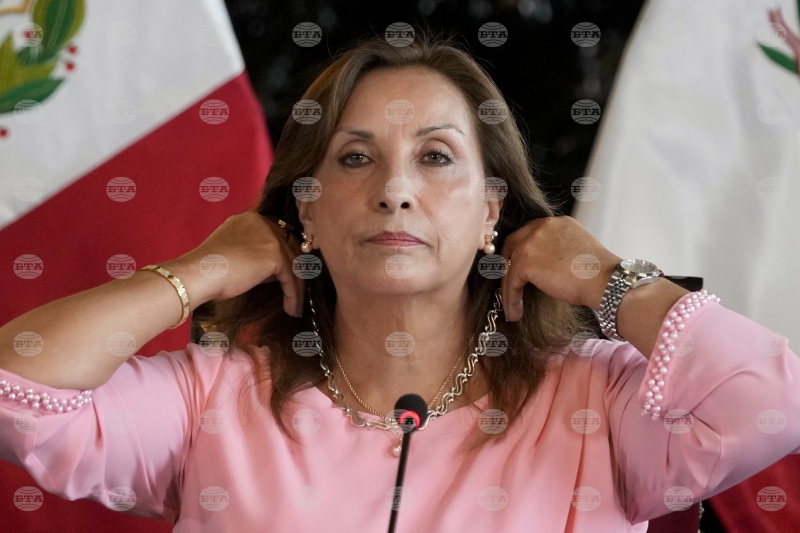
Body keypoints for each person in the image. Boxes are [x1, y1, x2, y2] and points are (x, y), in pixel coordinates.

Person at [0, 28, 798, 533]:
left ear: (493, 210)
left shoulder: (599, 397)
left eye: (436, 156)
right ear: (306, 212)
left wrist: (603, 277)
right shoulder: (211, 396)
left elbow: (774, 401)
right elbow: (16, 385)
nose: (395, 189)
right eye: (355, 158)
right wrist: (201, 268)